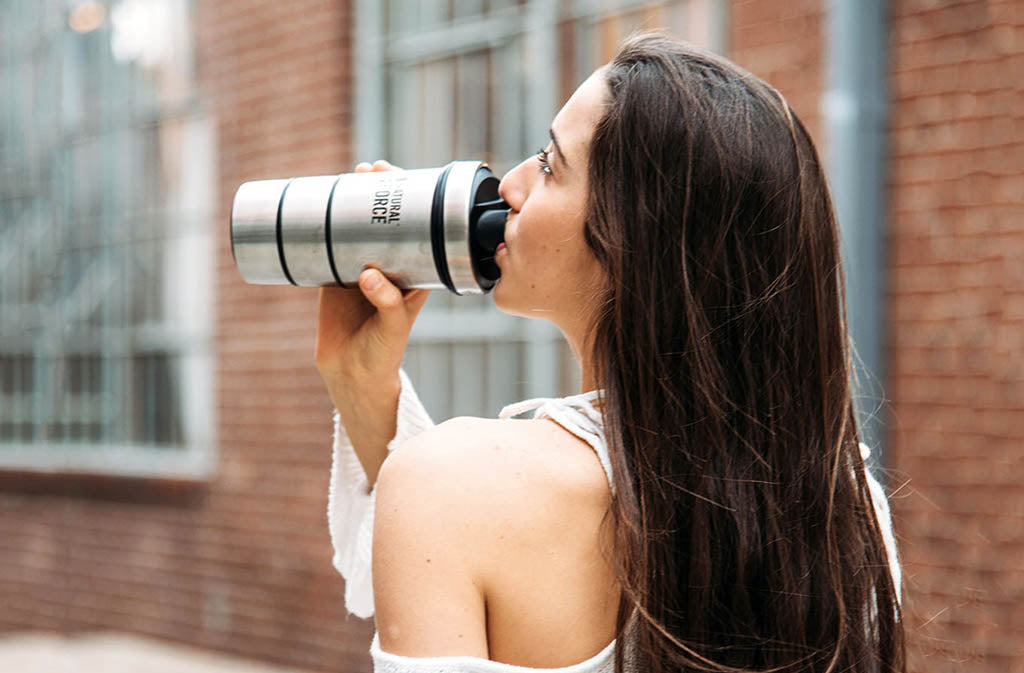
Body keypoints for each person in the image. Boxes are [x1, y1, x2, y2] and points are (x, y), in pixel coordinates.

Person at [315, 32, 905, 673]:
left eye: (548, 164)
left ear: (634, 237)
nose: (508, 183)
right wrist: (363, 388)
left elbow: (439, 533)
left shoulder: (447, 483)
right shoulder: (843, 511)